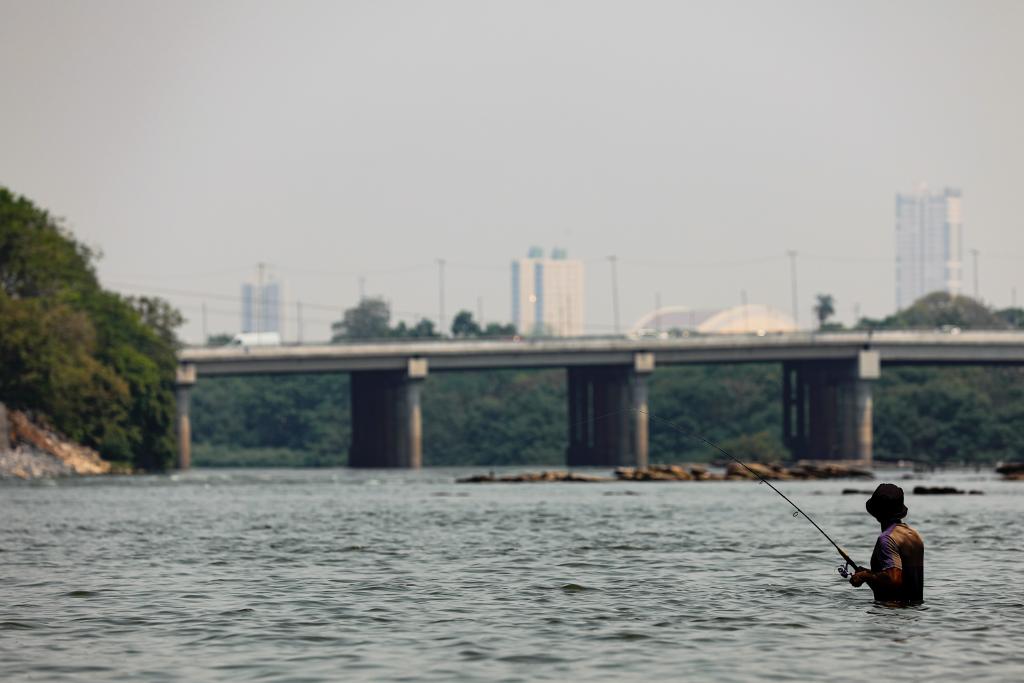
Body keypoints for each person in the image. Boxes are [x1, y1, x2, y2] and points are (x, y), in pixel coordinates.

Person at [848, 483, 924, 604]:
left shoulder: (886, 539)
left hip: (889, 613)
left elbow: (894, 579)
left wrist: (864, 576)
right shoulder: (914, 535)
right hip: (915, 613)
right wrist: (868, 573)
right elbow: (903, 578)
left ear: (877, 513)